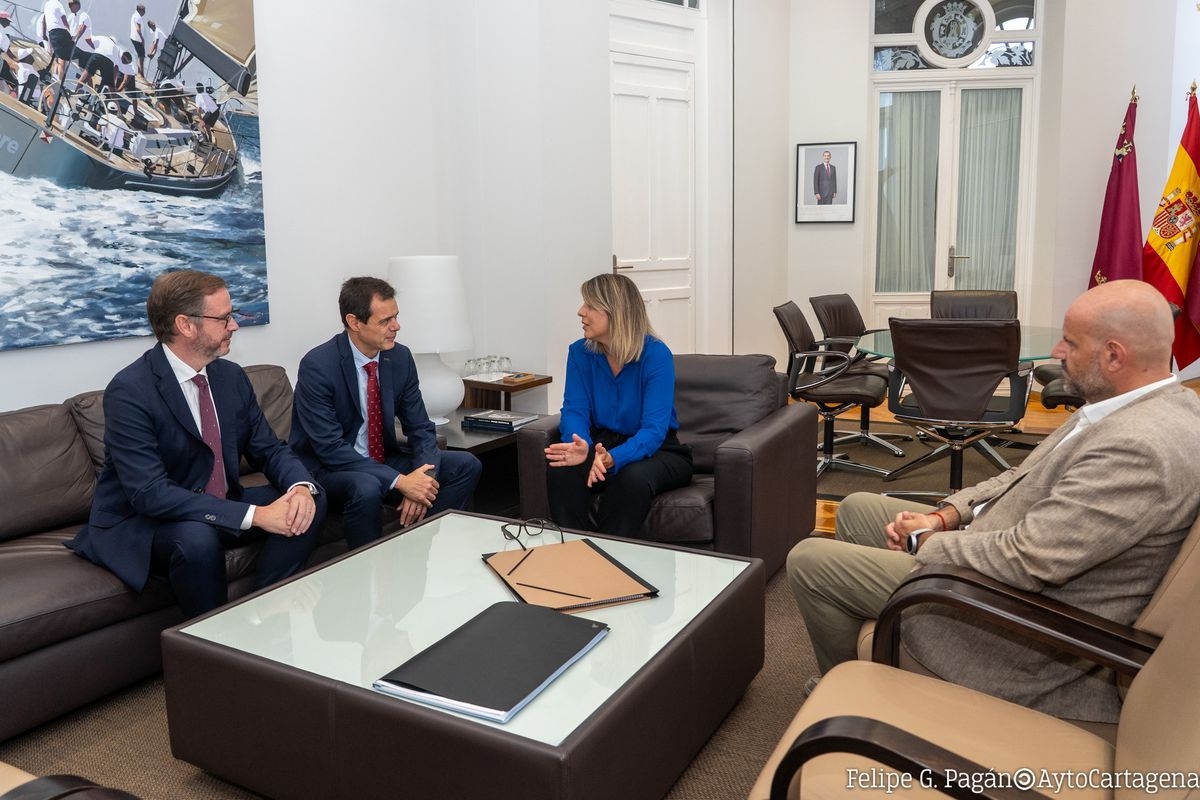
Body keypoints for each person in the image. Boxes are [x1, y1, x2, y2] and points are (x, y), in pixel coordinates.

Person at [787, 279, 1200, 723]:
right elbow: (1018, 477)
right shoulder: (1125, 407)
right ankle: (877, 665)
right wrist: (948, 514)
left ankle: (851, 697)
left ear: (1114, 355)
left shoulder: (1139, 448)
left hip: (1010, 621)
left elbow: (1028, 559)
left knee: (810, 560)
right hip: (997, 546)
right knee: (857, 508)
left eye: (1071, 342)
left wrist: (924, 543)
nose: (1059, 351)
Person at [68, 270, 327, 618]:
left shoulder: (230, 377)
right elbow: (150, 493)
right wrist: (257, 515)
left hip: (216, 502)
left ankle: (265, 609)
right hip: (145, 520)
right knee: (196, 538)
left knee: (312, 497)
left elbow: (269, 448)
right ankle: (216, 644)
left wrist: (298, 487)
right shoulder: (131, 391)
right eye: (224, 318)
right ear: (185, 325)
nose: (234, 325)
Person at [289, 276, 482, 547]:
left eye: (396, 317)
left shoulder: (399, 357)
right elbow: (330, 448)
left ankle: (418, 543)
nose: (396, 327)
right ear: (354, 322)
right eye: (385, 321)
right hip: (331, 469)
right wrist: (400, 481)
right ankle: (367, 571)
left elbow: (420, 427)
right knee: (366, 487)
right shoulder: (319, 365)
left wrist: (422, 481)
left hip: (381, 459)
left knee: (466, 465)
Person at [544, 272, 693, 538]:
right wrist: (582, 447)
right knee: (562, 470)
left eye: (590, 305)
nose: (581, 312)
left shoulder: (656, 355)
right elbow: (574, 410)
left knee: (631, 478)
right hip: (601, 443)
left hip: (659, 450)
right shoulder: (580, 353)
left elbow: (654, 430)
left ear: (616, 312)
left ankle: (609, 560)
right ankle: (575, 553)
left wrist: (613, 458)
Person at [41, 0, 73, 85]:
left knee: (56, 57)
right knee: (62, 60)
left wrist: (44, 33)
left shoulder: (47, 4)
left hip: (51, 32)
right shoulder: (58, 4)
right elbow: (64, 20)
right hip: (60, 31)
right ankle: (59, 81)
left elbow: (44, 20)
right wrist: (70, 33)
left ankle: (55, 76)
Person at [129, 4, 146, 77]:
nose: (144, 13)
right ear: (140, 10)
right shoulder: (138, 17)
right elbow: (138, 29)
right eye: (143, 11)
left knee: (140, 55)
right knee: (141, 56)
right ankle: (141, 73)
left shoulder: (134, 15)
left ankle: (140, 72)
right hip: (137, 39)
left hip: (133, 37)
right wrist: (142, 39)